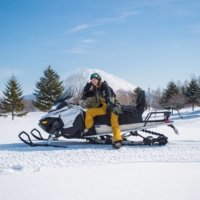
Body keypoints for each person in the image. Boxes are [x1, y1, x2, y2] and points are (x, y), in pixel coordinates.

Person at [80, 73, 123, 149]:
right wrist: (87, 86)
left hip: (113, 107)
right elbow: (86, 94)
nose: (93, 81)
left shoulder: (105, 86)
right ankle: (90, 131)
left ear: (98, 79)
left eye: (95, 79)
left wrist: (109, 109)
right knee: (89, 112)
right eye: (92, 80)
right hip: (104, 108)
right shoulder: (96, 89)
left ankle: (117, 140)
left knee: (113, 121)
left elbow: (110, 98)